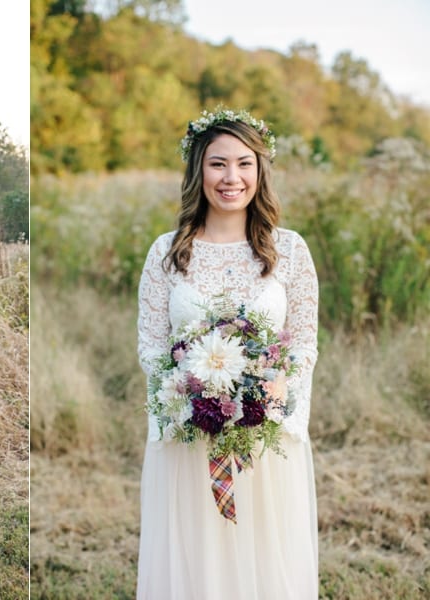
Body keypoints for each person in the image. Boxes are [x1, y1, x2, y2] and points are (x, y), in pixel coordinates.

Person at [136, 109, 319, 599]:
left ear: (260, 170)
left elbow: (302, 343)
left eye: (244, 163)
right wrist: (185, 403)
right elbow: (152, 347)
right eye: (218, 164)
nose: (231, 177)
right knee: (197, 561)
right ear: (198, 170)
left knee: (262, 559)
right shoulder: (167, 252)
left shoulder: (290, 252)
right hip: (189, 438)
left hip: (264, 437)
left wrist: (271, 400)